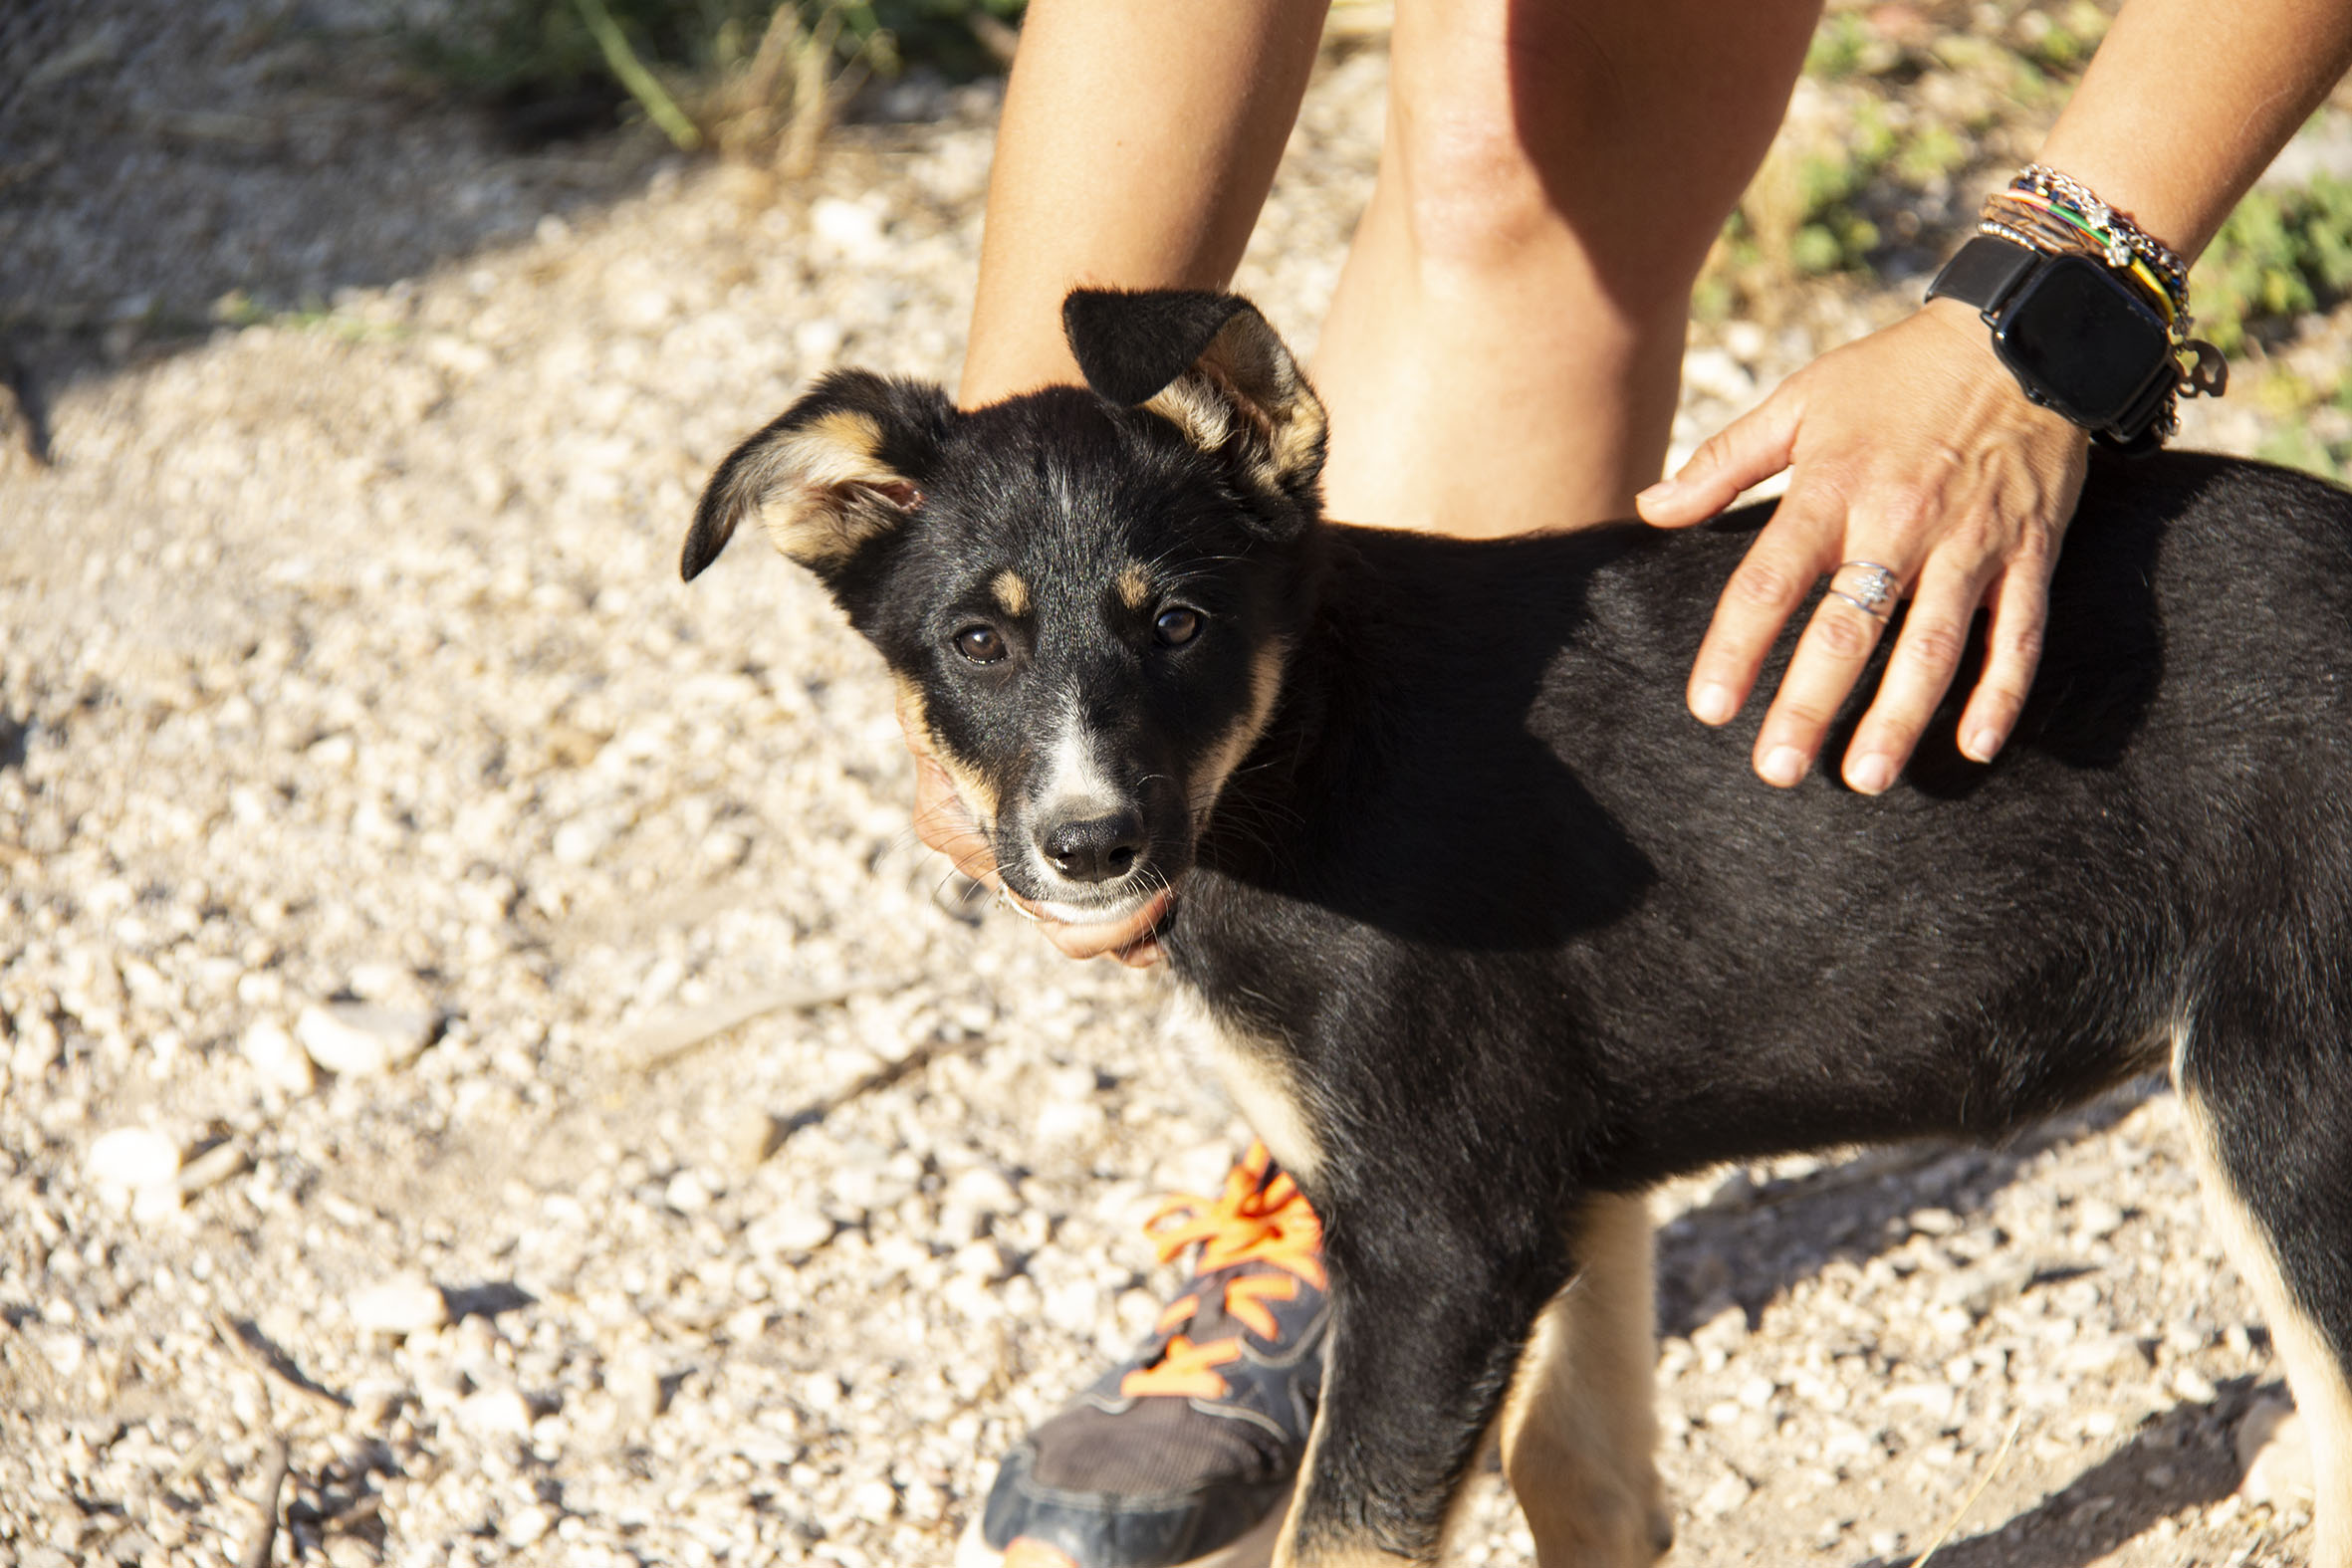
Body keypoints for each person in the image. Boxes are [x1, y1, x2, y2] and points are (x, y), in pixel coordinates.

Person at [904, 3, 2352, 1564]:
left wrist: (2049, 299)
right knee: (1506, 142)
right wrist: (984, 516)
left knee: (2295, 1124)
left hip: (2261, 719)